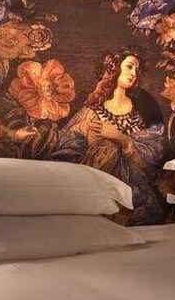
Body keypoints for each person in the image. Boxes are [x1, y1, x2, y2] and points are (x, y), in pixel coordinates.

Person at [65, 48, 167, 224]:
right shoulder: (93, 111)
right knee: (107, 149)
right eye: (129, 66)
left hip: (133, 191)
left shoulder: (141, 109)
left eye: (137, 69)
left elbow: (148, 161)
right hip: (96, 188)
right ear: (114, 68)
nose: (134, 73)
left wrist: (120, 138)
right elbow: (71, 148)